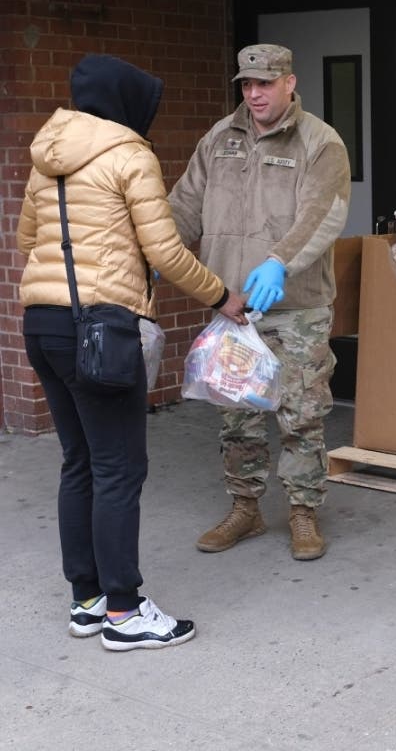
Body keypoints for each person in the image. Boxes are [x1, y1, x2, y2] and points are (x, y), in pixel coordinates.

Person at [17, 54, 247, 651]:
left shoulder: (46, 157)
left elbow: (25, 239)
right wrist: (222, 296)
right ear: (126, 103)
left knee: (79, 463)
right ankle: (124, 610)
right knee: (118, 469)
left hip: (42, 324)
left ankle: (87, 600)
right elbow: (166, 253)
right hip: (100, 329)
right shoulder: (129, 155)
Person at [169, 44, 351, 561]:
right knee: (238, 414)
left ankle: (302, 511)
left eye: (265, 84)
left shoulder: (320, 142)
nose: (254, 94)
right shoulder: (218, 139)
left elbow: (324, 213)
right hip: (233, 304)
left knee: (301, 414)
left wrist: (279, 261)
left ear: (289, 83)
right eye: (247, 85)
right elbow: (185, 203)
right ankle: (245, 508)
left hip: (296, 306)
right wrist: (157, 245)